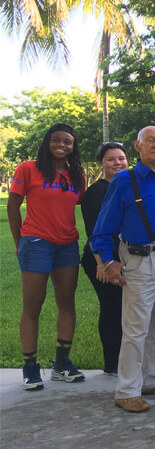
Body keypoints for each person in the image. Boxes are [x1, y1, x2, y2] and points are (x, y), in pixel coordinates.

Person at [91, 126, 155, 412]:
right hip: (139, 259)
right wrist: (107, 262)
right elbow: (102, 228)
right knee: (136, 329)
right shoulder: (125, 181)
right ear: (138, 146)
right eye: (150, 140)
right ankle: (126, 391)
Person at [9, 123, 86, 391]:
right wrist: (20, 241)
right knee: (33, 305)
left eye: (68, 141)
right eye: (56, 140)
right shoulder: (29, 168)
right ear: (47, 142)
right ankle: (30, 366)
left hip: (67, 244)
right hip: (36, 242)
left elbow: (80, 205)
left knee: (67, 302)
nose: (62, 145)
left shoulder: (77, 175)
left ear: (73, 146)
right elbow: (12, 204)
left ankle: (61, 363)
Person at [80, 141, 127, 376]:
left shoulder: (128, 186)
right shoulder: (96, 192)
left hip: (125, 258)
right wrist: (102, 263)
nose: (117, 163)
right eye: (111, 159)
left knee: (124, 308)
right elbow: (94, 231)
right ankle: (113, 364)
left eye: (121, 158)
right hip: (101, 259)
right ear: (101, 164)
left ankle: (126, 359)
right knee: (112, 308)